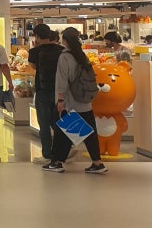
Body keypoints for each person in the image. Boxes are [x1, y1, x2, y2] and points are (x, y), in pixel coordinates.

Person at [44, 26, 107, 174]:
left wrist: (60, 100)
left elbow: (62, 80)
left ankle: (57, 162)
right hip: (85, 102)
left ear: (65, 40)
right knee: (89, 133)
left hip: (70, 102)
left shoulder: (65, 57)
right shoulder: (82, 56)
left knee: (62, 132)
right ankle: (97, 163)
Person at [28, 24, 64, 164]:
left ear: (36, 36)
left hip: (42, 90)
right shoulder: (61, 50)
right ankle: (65, 149)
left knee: (44, 124)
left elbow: (33, 67)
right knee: (59, 120)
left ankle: (47, 154)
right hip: (60, 90)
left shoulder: (34, 52)